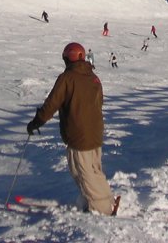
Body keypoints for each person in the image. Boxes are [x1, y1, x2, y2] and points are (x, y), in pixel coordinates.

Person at [27, 42, 118, 216]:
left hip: (79, 134)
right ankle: (103, 200)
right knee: (94, 169)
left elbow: (51, 104)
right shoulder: (93, 77)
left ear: (68, 58)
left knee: (83, 172)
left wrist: (36, 122)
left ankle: (102, 209)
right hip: (95, 131)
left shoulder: (67, 78)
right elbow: (99, 102)